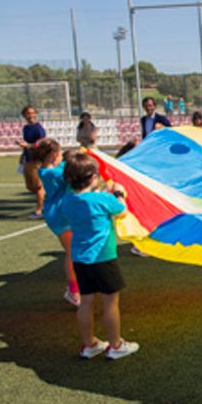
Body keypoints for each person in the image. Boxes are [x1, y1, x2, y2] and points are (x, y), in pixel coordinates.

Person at [61, 153, 139, 360]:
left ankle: (90, 344)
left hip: (80, 259)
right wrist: (119, 193)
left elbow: (87, 200)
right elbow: (121, 210)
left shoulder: (68, 200)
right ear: (93, 178)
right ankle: (115, 345)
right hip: (103, 258)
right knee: (110, 302)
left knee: (86, 301)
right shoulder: (102, 199)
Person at [30, 139, 80, 306]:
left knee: (75, 251)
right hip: (61, 216)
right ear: (53, 155)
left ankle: (77, 285)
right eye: (60, 154)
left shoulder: (49, 169)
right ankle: (73, 291)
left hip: (62, 213)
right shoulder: (53, 173)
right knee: (72, 253)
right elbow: (72, 173)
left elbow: (64, 165)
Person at [16, 105, 46, 219]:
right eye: (28, 113)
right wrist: (23, 155)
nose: (31, 115)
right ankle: (45, 198)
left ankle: (39, 211)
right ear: (24, 115)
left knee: (38, 187)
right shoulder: (25, 128)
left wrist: (28, 145)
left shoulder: (39, 128)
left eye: (33, 113)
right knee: (29, 186)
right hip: (28, 160)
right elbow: (26, 144)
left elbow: (41, 144)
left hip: (37, 160)